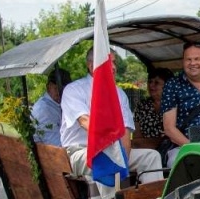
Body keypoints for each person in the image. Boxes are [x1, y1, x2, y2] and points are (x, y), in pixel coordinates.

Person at [59, 50, 164, 188]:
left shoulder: (119, 94)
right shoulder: (73, 90)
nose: (114, 67)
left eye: (114, 62)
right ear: (91, 67)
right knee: (107, 159)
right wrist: (113, 153)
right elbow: (86, 121)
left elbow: (125, 129)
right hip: (80, 151)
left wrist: (123, 159)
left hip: (115, 149)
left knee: (151, 157)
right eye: (108, 62)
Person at [160, 43, 200, 156]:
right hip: (182, 147)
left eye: (197, 59)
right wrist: (193, 149)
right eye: (188, 59)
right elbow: (169, 128)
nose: (192, 63)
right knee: (179, 164)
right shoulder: (173, 85)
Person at [31, 68, 69, 146]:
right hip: (55, 154)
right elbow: (56, 144)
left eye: (63, 89)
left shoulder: (53, 104)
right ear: (48, 87)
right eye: (56, 88)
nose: (60, 92)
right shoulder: (44, 109)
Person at [134, 69, 167, 143]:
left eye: (156, 82)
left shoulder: (174, 104)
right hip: (146, 147)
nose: (151, 85)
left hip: (169, 147)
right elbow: (137, 135)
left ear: (167, 85)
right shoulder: (142, 105)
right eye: (150, 82)